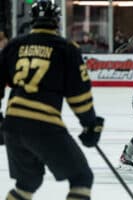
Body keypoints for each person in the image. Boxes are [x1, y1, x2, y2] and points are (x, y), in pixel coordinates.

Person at [0, 1, 104, 199]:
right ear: (56, 21)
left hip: (12, 125)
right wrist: (90, 125)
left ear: (33, 20)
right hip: (43, 125)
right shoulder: (66, 48)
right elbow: (79, 96)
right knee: (82, 178)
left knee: (27, 183)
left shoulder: (14, 45)